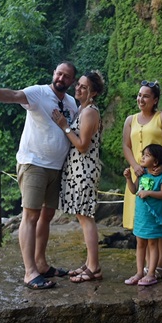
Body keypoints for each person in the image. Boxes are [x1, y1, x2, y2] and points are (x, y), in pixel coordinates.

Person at [0, 62, 78, 290]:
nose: (61, 78)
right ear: (54, 73)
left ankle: (42, 264)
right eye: (59, 73)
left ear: (71, 81)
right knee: (31, 216)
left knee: (47, 215)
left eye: (67, 76)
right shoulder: (38, 92)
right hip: (33, 163)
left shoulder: (72, 104)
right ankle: (30, 272)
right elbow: (12, 95)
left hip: (57, 166)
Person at [50, 70, 105, 283]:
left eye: (84, 87)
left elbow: (82, 145)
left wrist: (64, 126)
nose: (78, 88)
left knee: (86, 217)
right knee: (82, 217)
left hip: (85, 169)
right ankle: (90, 263)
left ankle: (94, 267)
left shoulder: (90, 111)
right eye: (78, 85)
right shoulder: (82, 110)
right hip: (76, 169)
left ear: (94, 92)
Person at [122, 80, 162, 279]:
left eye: (146, 96)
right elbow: (126, 146)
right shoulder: (130, 119)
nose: (141, 99)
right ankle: (146, 268)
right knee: (142, 220)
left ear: (155, 100)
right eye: (139, 95)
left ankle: (159, 266)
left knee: (161, 221)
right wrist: (135, 166)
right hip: (139, 174)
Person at [122, 143, 162, 286]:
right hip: (141, 216)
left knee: (153, 243)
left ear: (155, 161)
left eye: (147, 155)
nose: (142, 157)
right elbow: (133, 190)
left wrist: (149, 192)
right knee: (140, 243)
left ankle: (151, 273)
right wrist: (129, 178)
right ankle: (139, 272)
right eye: (143, 154)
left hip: (153, 216)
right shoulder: (141, 173)